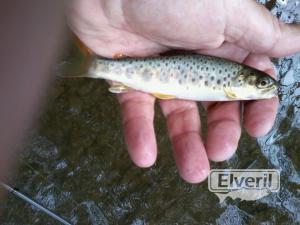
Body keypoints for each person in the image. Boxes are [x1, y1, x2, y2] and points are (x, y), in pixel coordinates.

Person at [68, 0, 300, 183]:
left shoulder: (235, 79)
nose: (266, 88)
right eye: (260, 84)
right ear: (241, 80)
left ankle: (85, 63)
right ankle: (88, 65)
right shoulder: (230, 83)